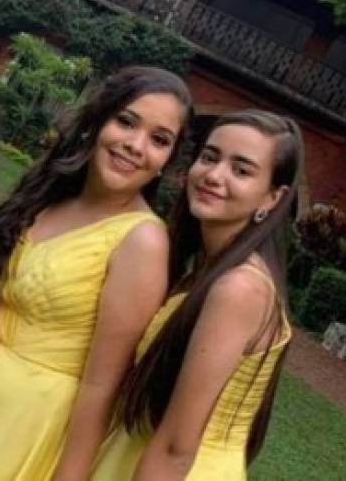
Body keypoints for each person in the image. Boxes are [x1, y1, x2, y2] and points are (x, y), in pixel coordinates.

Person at [0, 66, 193, 481]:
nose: (135, 146)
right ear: (98, 122)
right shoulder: (51, 195)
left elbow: (102, 388)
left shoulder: (142, 242)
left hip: (23, 429)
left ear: (166, 162)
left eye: (159, 140)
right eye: (126, 122)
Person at [91, 110, 301, 481]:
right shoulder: (208, 270)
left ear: (272, 197)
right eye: (210, 157)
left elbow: (177, 448)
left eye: (241, 170)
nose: (214, 176)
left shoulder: (239, 288)